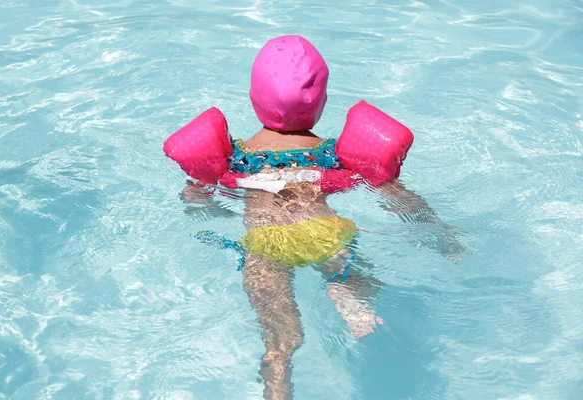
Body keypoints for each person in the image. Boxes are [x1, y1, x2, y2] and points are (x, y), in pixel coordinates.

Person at [168, 35, 467, 400]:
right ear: (321, 103)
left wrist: (209, 207)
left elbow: (195, 199)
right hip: (324, 233)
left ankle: (278, 385)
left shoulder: (232, 158)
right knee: (348, 276)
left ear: (253, 98)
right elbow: (397, 197)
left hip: (266, 243)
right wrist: (442, 235)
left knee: (281, 336)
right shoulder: (335, 155)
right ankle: (352, 302)